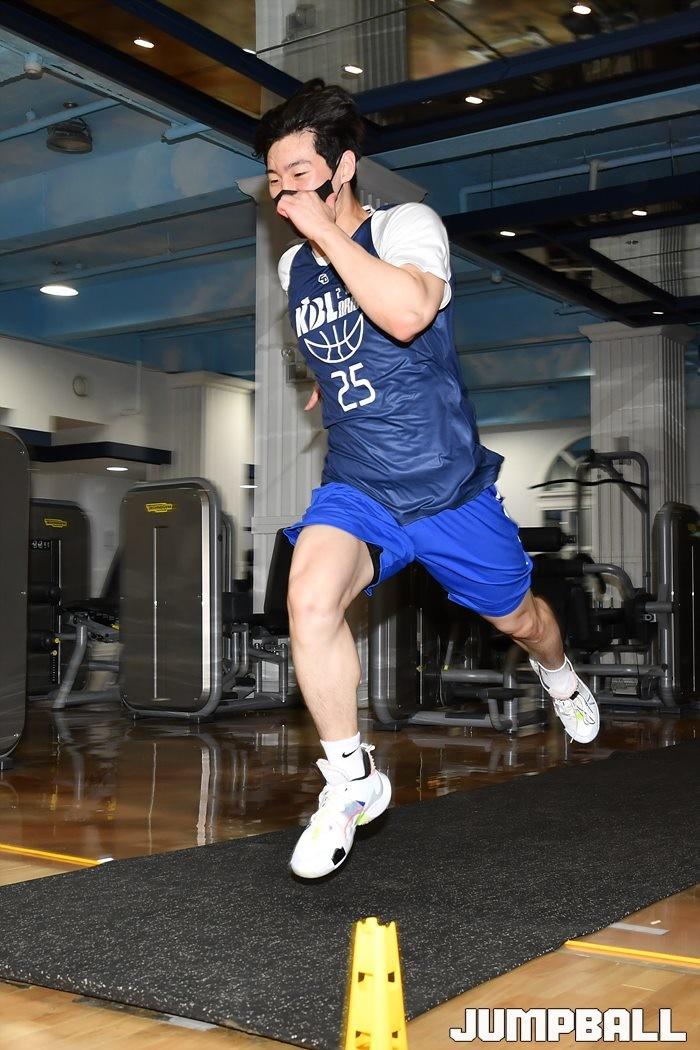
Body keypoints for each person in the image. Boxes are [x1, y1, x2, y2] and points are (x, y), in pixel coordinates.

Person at [253, 79, 599, 881]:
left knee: (523, 622)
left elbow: (408, 315)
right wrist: (330, 378)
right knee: (309, 598)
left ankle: (558, 674)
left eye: (299, 174)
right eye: (274, 179)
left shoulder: (405, 225)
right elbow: (344, 338)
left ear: (343, 168)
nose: (284, 193)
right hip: (360, 484)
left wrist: (328, 234)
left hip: (446, 490)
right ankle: (350, 778)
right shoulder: (292, 267)